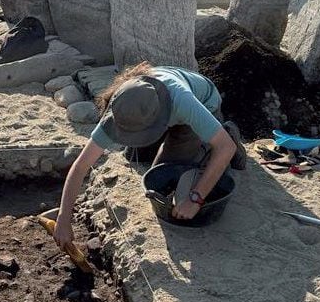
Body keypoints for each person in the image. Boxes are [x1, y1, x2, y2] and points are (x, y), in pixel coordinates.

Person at [51, 63, 247, 250]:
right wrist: (63, 217)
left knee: (174, 174)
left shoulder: (184, 101)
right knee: (144, 164)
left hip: (205, 103)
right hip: (160, 108)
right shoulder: (122, 107)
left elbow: (225, 148)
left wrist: (195, 198)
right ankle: (183, 144)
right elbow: (81, 166)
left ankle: (224, 130)